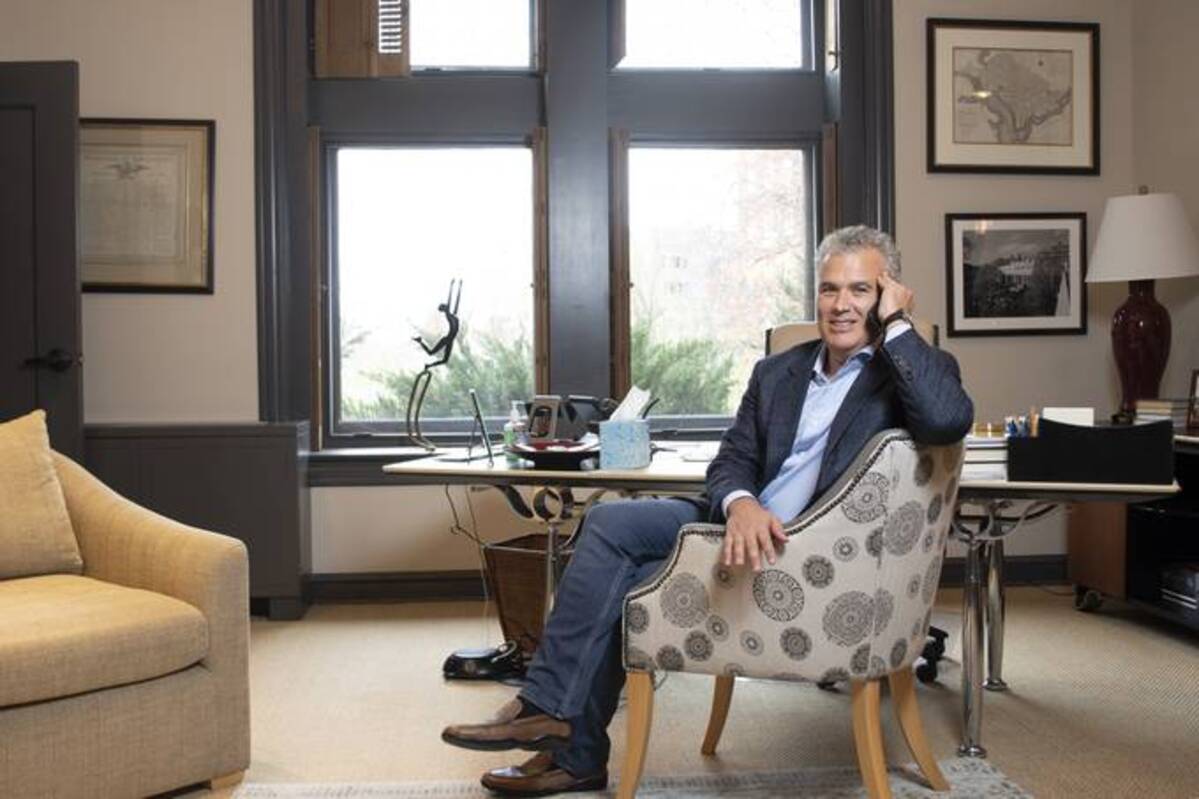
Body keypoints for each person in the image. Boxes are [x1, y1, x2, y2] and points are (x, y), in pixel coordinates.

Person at [441, 225, 974, 796]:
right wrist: (742, 503)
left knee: (627, 582)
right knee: (607, 525)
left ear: (889, 292)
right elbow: (731, 461)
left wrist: (897, 327)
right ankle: (550, 714)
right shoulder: (778, 372)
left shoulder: (909, 369)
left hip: (809, 551)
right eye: (828, 289)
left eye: (861, 290)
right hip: (734, 521)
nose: (841, 305)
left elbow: (946, 420)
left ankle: (571, 747)